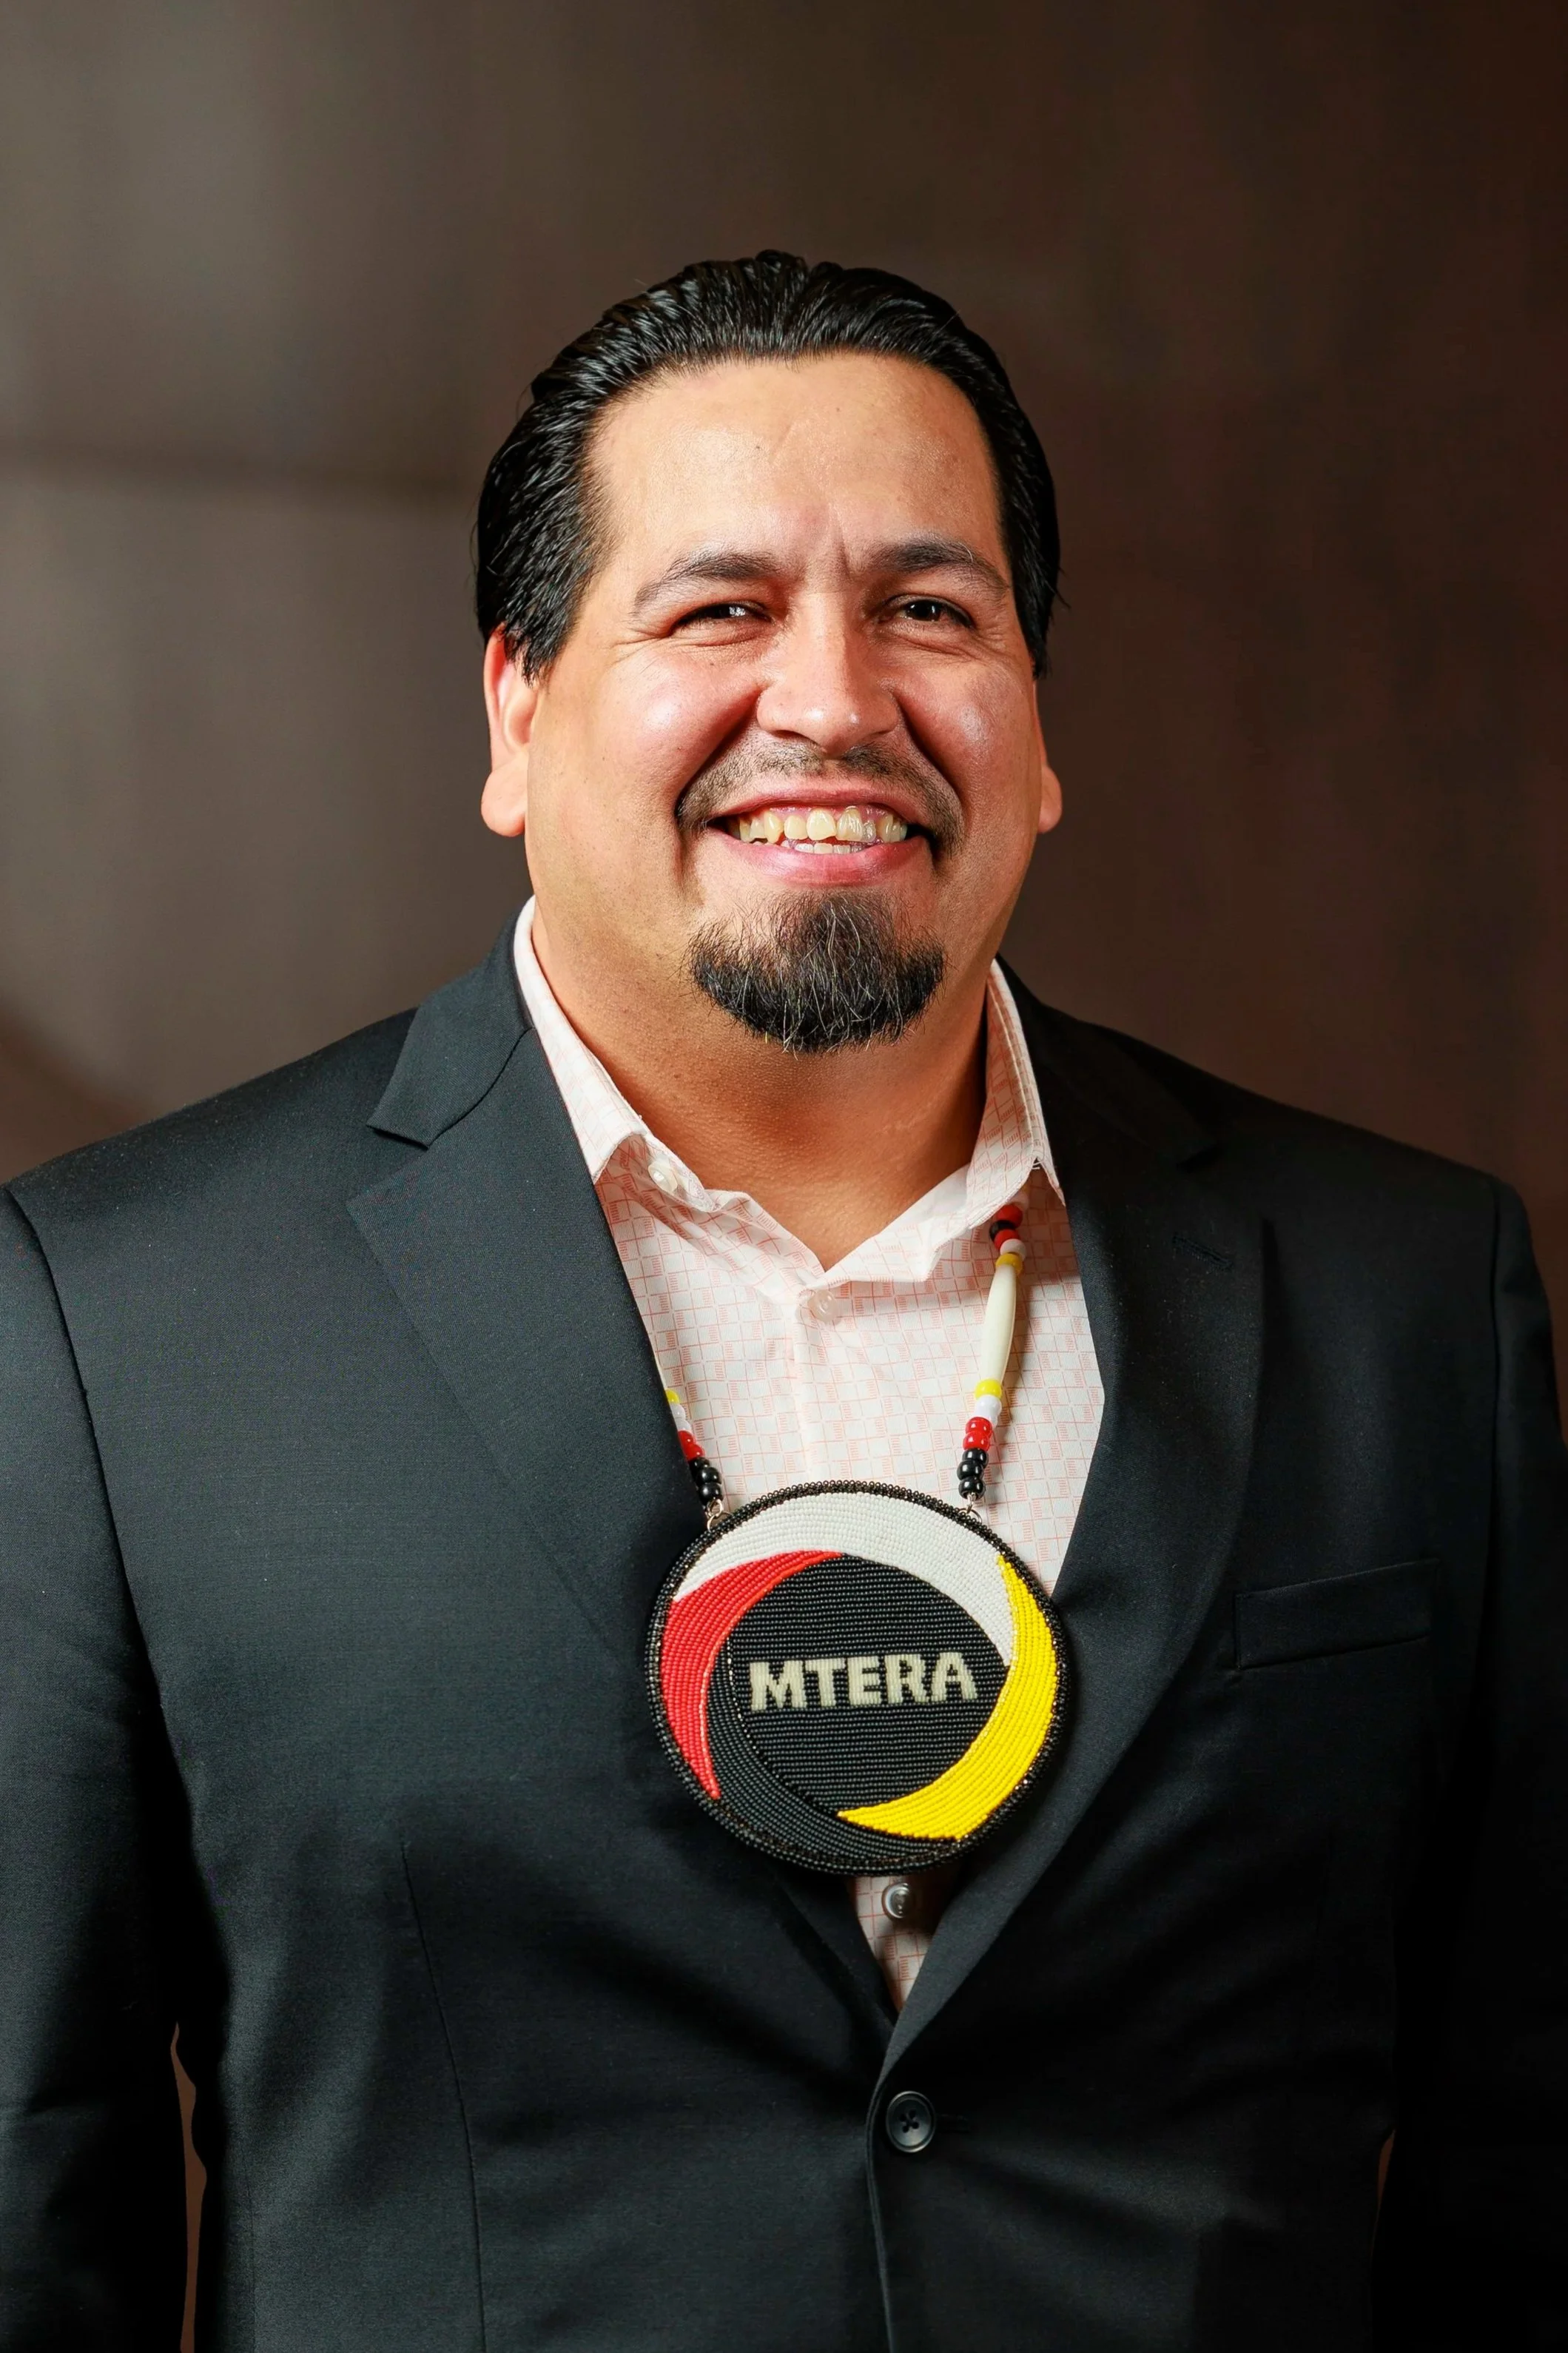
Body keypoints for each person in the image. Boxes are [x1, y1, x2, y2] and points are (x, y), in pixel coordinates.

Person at [0, 252, 1563, 2353]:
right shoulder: (121, 1321)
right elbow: (34, 2193)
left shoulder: (1401, 1296)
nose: (832, 700)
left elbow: (1523, 2155)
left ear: (1035, 727)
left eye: (931, 612)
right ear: (517, 710)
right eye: (718, 611)